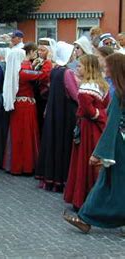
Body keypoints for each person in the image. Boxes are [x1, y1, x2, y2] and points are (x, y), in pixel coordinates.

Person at [63, 53, 125, 233]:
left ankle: (86, 218)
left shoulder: (120, 94)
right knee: (107, 182)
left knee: (109, 182)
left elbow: (112, 124)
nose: (106, 70)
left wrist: (99, 152)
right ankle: (86, 217)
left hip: (119, 144)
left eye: (108, 67)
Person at [64, 55, 109, 211]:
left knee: (85, 162)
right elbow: (106, 107)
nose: (78, 68)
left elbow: (89, 111)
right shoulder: (102, 85)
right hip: (98, 129)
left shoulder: (86, 88)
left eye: (80, 66)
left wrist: (99, 115)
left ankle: (83, 198)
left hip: (88, 128)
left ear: (88, 68)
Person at [36, 42, 78, 192]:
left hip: (55, 111)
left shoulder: (55, 70)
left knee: (53, 143)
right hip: (65, 114)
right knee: (62, 145)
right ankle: (61, 179)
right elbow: (75, 94)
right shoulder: (67, 73)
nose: (73, 55)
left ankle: (51, 178)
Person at [3, 47, 51, 175]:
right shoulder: (23, 72)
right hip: (25, 107)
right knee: (26, 136)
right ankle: (25, 166)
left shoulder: (17, 72)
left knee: (18, 136)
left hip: (19, 105)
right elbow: (43, 74)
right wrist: (47, 62)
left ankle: (18, 165)